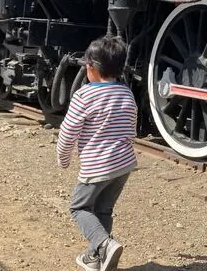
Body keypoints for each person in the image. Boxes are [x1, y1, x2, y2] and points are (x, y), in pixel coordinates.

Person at [56, 35, 138, 271]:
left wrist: (63, 158)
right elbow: (131, 128)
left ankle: (104, 244)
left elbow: (68, 131)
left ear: (90, 67)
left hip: (97, 165)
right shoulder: (126, 93)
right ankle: (95, 258)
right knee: (103, 209)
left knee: (79, 208)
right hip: (123, 165)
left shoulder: (84, 95)